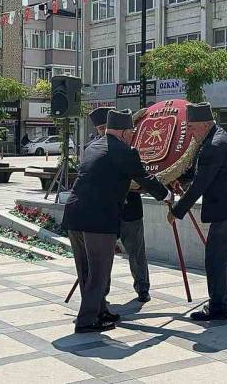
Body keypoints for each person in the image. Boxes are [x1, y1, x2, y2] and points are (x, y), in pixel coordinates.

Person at [64, 109, 168, 333]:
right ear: (122, 132)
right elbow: (145, 179)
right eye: (131, 132)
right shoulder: (125, 151)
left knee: (86, 271)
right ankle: (87, 320)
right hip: (98, 219)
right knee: (99, 272)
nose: (132, 136)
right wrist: (167, 195)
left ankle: (99, 310)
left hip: (74, 215)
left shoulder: (92, 147)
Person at [169, 103, 227, 321]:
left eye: (192, 128)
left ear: (205, 124)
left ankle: (218, 307)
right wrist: (179, 180)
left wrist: (177, 211)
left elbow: (200, 184)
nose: (190, 132)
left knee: (216, 259)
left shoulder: (214, 145)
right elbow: (201, 173)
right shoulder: (216, 138)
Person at [86, 107, 153, 303]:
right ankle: (101, 292)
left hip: (130, 208)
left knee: (137, 251)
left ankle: (142, 287)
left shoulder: (128, 147)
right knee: (103, 256)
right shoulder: (93, 148)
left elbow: (143, 176)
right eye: (100, 127)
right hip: (105, 212)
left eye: (106, 126)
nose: (103, 130)